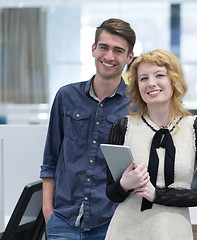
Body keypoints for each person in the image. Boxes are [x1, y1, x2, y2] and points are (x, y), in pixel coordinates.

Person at [105, 49, 197, 239]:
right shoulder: (123, 127)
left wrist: (156, 194)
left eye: (159, 75)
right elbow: (111, 193)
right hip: (125, 231)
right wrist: (124, 184)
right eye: (143, 78)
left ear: (173, 80)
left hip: (173, 232)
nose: (151, 83)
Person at [40, 18, 136, 239]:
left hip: (111, 222)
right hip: (63, 221)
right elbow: (50, 160)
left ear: (129, 57)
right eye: (104, 47)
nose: (109, 56)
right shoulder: (66, 96)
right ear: (93, 49)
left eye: (118, 50)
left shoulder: (137, 105)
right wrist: (48, 212)